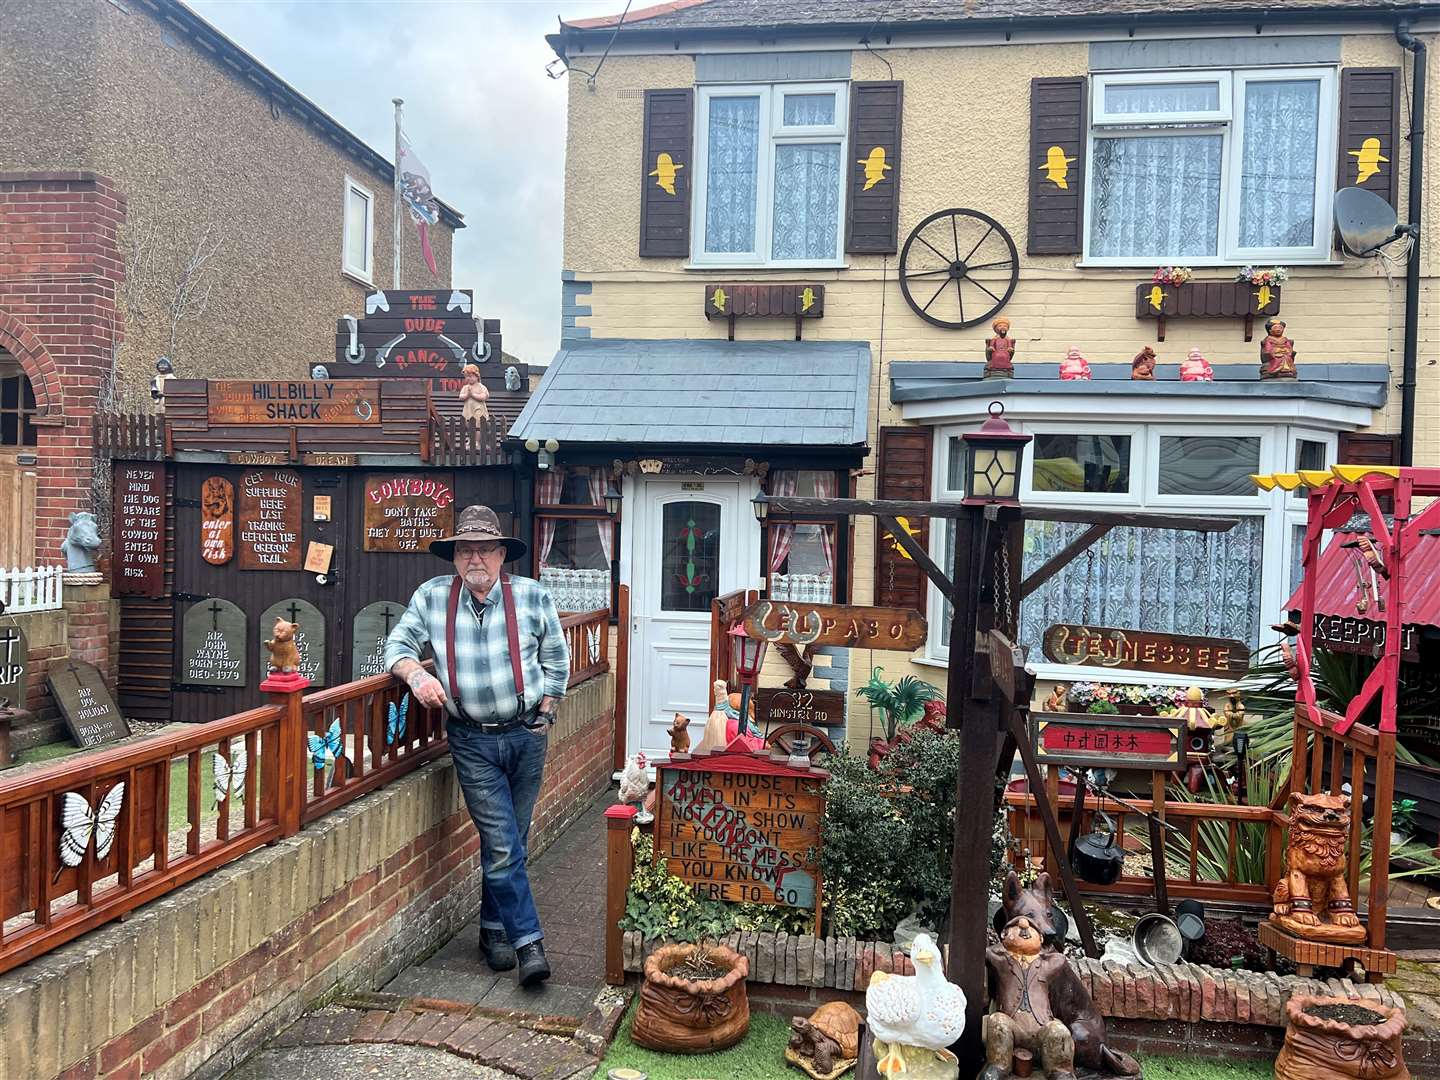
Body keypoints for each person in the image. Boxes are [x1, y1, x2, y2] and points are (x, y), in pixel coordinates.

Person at [384, 504, 569, 987]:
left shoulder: (531, 597)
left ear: (502, 554)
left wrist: (546, 713)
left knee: (512, 842)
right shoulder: (431, 598)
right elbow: (396, 647)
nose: (475, 560)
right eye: (465, 550)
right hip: (472, 740)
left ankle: (492, 931)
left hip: (526, 735)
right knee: (504, 845)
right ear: (454, 557)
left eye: (485, 550)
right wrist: (415, 674)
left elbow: (556, 659)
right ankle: (529, 942)